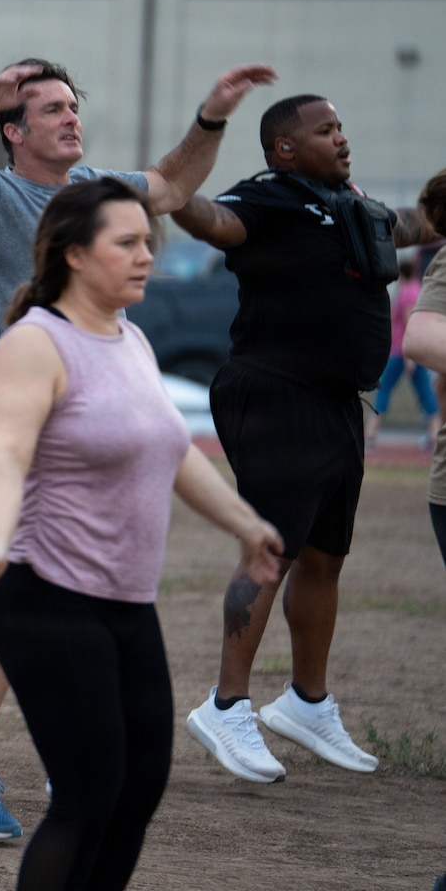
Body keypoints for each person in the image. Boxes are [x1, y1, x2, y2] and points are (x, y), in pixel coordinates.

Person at [0, 57, 277, 838]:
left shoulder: (99, 189)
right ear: (15, 128)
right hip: (33, 409)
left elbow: (170, 187)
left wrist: (212, 117)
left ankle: (55, 750)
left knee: (88, 584)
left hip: (111, 407)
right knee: (31, 581)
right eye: (51, 109)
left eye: (74, 106)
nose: (71, 118)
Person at [0, 176, 281, 891]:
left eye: (149, 243)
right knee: (88, 794)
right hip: (45, 595)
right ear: (74, 254)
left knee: (137, 792)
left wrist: (248, 526)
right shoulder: (35, 343)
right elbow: (5, 452)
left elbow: (170, 450)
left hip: (126, 604)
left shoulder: (129, 338)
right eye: (127, 243)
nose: (145, 257)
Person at [175, 94, 432, 782]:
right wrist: (174, 196)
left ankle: (307, 702)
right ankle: (226, 705)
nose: (342, 138)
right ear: (285, 147)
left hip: (337, 405)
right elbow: (213, 220)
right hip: (273, 393)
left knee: (324, 558)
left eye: (342, 126)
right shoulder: (268, 200)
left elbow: (415, 223)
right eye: (325, 130)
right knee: (273, 550)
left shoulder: (353, 207)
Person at [399, 170, 446, 567]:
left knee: (431, 400)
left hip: (402, 359)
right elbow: (415, 335)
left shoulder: (410, 288)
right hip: (399, 358)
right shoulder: (424, 283)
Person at [365, 258, 440, 449]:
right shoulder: (418, 288)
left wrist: (408, 357)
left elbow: (409, 322)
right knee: (425, 392)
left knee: (384, 388)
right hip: (413, 351)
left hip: (402, 352)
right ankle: (434, 435)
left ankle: (371, 434)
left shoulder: (407, 291)